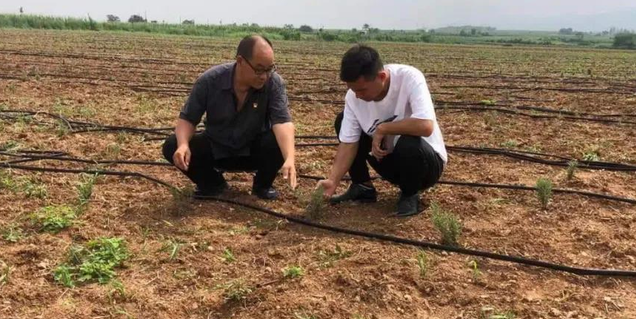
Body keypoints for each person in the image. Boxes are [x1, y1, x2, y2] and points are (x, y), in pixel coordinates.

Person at [316, 44, 446, 217]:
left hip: (424, 164)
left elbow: (425, 126)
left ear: (382, 76)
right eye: (352, 89)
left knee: (408, 141)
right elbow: (348, 143)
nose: (357, 95)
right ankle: (362, 187)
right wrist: (333, 180)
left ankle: (409, 194)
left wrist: (384, 128)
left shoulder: (409, 78)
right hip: (389, 161)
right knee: (342, 121)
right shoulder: (354, 97)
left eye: (362, 89)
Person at [162, 35, 297, 199]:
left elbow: (282, 122)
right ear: (240, 61)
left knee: (278, 141)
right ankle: (212, 185)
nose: (264, 76)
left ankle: (262, 186)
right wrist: (183, 145)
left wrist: (289, 158)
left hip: (252, 151)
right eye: (259, 69)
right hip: (216, 149)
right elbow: (188, 119)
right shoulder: (210, 81)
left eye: (270, 69)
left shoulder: (274, 83)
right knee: (172, 145)